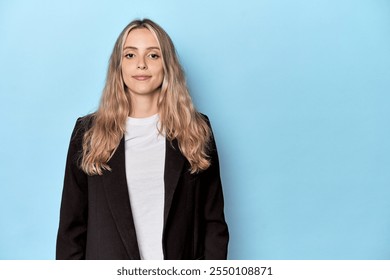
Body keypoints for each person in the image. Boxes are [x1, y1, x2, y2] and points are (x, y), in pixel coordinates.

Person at [56, 18, 228, 260]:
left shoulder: (197, 130)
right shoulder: (87, 133)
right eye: (130, 55)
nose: (141, 65)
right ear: (118, 66)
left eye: (153, 55)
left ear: (167, 65)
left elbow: (213, 224)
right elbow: (70, 230)